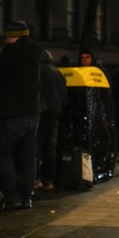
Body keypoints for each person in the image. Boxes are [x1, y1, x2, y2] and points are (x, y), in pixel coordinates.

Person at [0, 20, 43, 209]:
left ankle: (12, 197)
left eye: (9, 36)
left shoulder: (11, 52)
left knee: (5, 154)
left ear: (15, 36)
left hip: (11, 114)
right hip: (32, 114)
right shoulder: (35, 53)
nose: (7, 39)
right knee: (28, 157)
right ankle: (27, 197)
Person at [35, 50, 67, 190]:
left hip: (41, 111)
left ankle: (36, 179)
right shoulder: (58, 73)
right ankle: (49, 180)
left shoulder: (38, 71)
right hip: (55, 113)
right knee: (51, 147)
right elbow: (64, 95)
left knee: (37, 146)